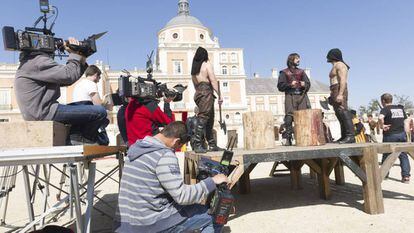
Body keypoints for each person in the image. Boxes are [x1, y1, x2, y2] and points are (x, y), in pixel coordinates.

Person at [114, 121, 227, 233]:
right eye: (179, 146)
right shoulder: (164, 155)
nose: (175, 150)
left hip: (126, 223)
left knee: (192, 207)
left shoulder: (137, 149)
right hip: (148, 224)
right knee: (218, 216)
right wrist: (212, 181)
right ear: (176, 141)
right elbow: (182, 197)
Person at [14, 37, 108, 144]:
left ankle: (76, 135)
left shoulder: (30, 63)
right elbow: (68, 75)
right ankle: (82, 138)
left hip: (41, 111)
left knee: (86, 103)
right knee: (100, 112)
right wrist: (74, 52)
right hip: (44, 113)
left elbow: (67, 81)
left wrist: (81, 56)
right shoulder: (38, 62)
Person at [191, 47, 223, 153]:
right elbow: (213, 80)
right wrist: (220, 94)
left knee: (209, 119)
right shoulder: (206, 64)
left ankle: (212, 144)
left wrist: (200, 91)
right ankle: (197, 144)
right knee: (204, 118)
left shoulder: (194, 68)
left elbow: (195, 84)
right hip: (206, 92)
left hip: (199, 92)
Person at [70, 65, 113, 145]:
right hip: (86, 112)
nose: (99, 80)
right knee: (104, 119)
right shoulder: (91, 84)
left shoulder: (79, 84)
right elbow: (98, 104)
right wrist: (106, 101)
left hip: (77, 111)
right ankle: (89, 138)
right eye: (99, 78)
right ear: (96, 75)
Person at [277, 53, 311, 146]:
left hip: (301, 96)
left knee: (303, 117)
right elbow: (280, 86)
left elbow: (308, 84)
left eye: (299, 59)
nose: (299, 60)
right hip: (290, 95)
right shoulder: (284, 72)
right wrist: (289, 85)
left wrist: (305, 85)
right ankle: (288, 138)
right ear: (291, 59)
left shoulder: (301, 72)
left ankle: (304, 138)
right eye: (297, 59)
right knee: (289, 117)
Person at [378, 93, 410, 183]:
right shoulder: (400, 109)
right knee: (403, 155)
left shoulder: (385, 109)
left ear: (383, 101)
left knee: (386, 154)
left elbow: (380, 118)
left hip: (390, 135)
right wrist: (406, 132)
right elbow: (406, 120)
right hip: (401, 134)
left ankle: (384, 174)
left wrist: (382, 125)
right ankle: (406, 176)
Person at [327, 48, 355, 144]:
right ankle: (344, 136)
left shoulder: (340, 65)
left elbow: (343, 80)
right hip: (334, 89)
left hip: (339, 88)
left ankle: (350, 136)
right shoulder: (335, 66)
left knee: (343, 111)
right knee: (338, 113)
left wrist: (340, 94)